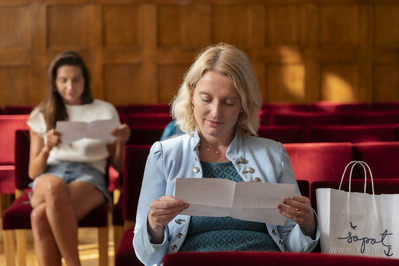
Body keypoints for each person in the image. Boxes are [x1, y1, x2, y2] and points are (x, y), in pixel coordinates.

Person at [133, 43, 320, 266]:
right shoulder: (164, 154)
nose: (216, 112)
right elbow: (147, 257)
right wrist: (153, 225)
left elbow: (293, 246)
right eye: (206, 99)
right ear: (192, 95)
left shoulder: (273, 153)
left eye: (229, 102)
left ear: (243, 105)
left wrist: (308, 226)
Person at [27, 50, 130, 266]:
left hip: (89, 176)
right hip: (49, 176)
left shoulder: (104, 110)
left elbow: (119, 167)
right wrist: (47, 148)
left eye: (76, 79)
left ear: (85, 80)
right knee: (54, 187)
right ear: (54, 83)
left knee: (40, 217)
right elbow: (33, 172)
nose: (70, 86)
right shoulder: (41, 113)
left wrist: (121, 142)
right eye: (63, 80)